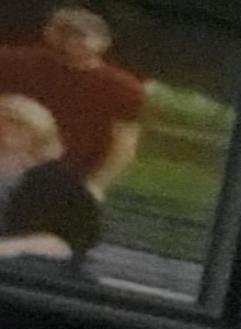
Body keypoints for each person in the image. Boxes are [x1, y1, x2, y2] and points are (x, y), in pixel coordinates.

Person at [0, 7, 141, 197]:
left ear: (105, 42)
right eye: (68, 32)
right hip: (8, 166)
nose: (76, 41)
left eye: (84, 35)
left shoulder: (123, 88)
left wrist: (95, 186)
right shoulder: (14, 61)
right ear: (49, 33)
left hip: (68, 177)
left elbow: (124, 145)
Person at [0, 91, 94, 262]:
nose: (4, 132)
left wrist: (11, 248)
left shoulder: (57, 183)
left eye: (13, 124)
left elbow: (65, 243)